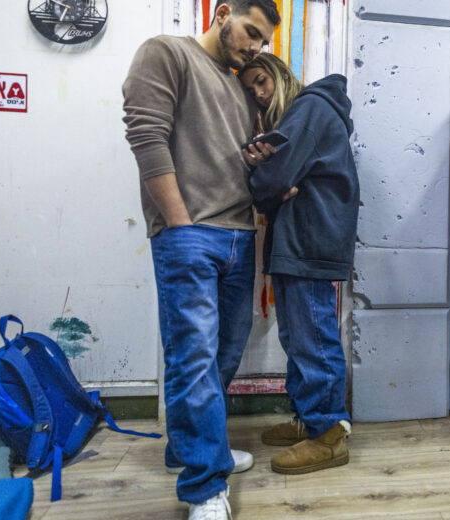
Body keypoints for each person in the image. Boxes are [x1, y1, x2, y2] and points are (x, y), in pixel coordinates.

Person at [122, 2, 279, 518]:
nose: (255, 47)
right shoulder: (167, 52)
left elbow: (226, 157)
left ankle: (191, 449)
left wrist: (254, 161)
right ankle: (206, 486)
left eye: (262, 42)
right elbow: (146, 137)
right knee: (193, 357)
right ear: (223, 13)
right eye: (251, 32)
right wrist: (180, 223)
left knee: (223, 354)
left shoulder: (239, 87)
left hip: (239, 235)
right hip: (189, 233)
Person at [240, 54, 358, 474]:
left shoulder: (310, 106)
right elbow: (276, 185)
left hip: (310, 237)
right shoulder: (294, 118)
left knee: (313, 337)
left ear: (280, 73)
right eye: (250, 90)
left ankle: (328, 435)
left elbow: (271, 181)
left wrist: (264, 178)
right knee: (296, 335)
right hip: (297, 239)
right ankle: (310, 419)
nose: (258, 93)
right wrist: (273, 183)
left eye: (261, 80)